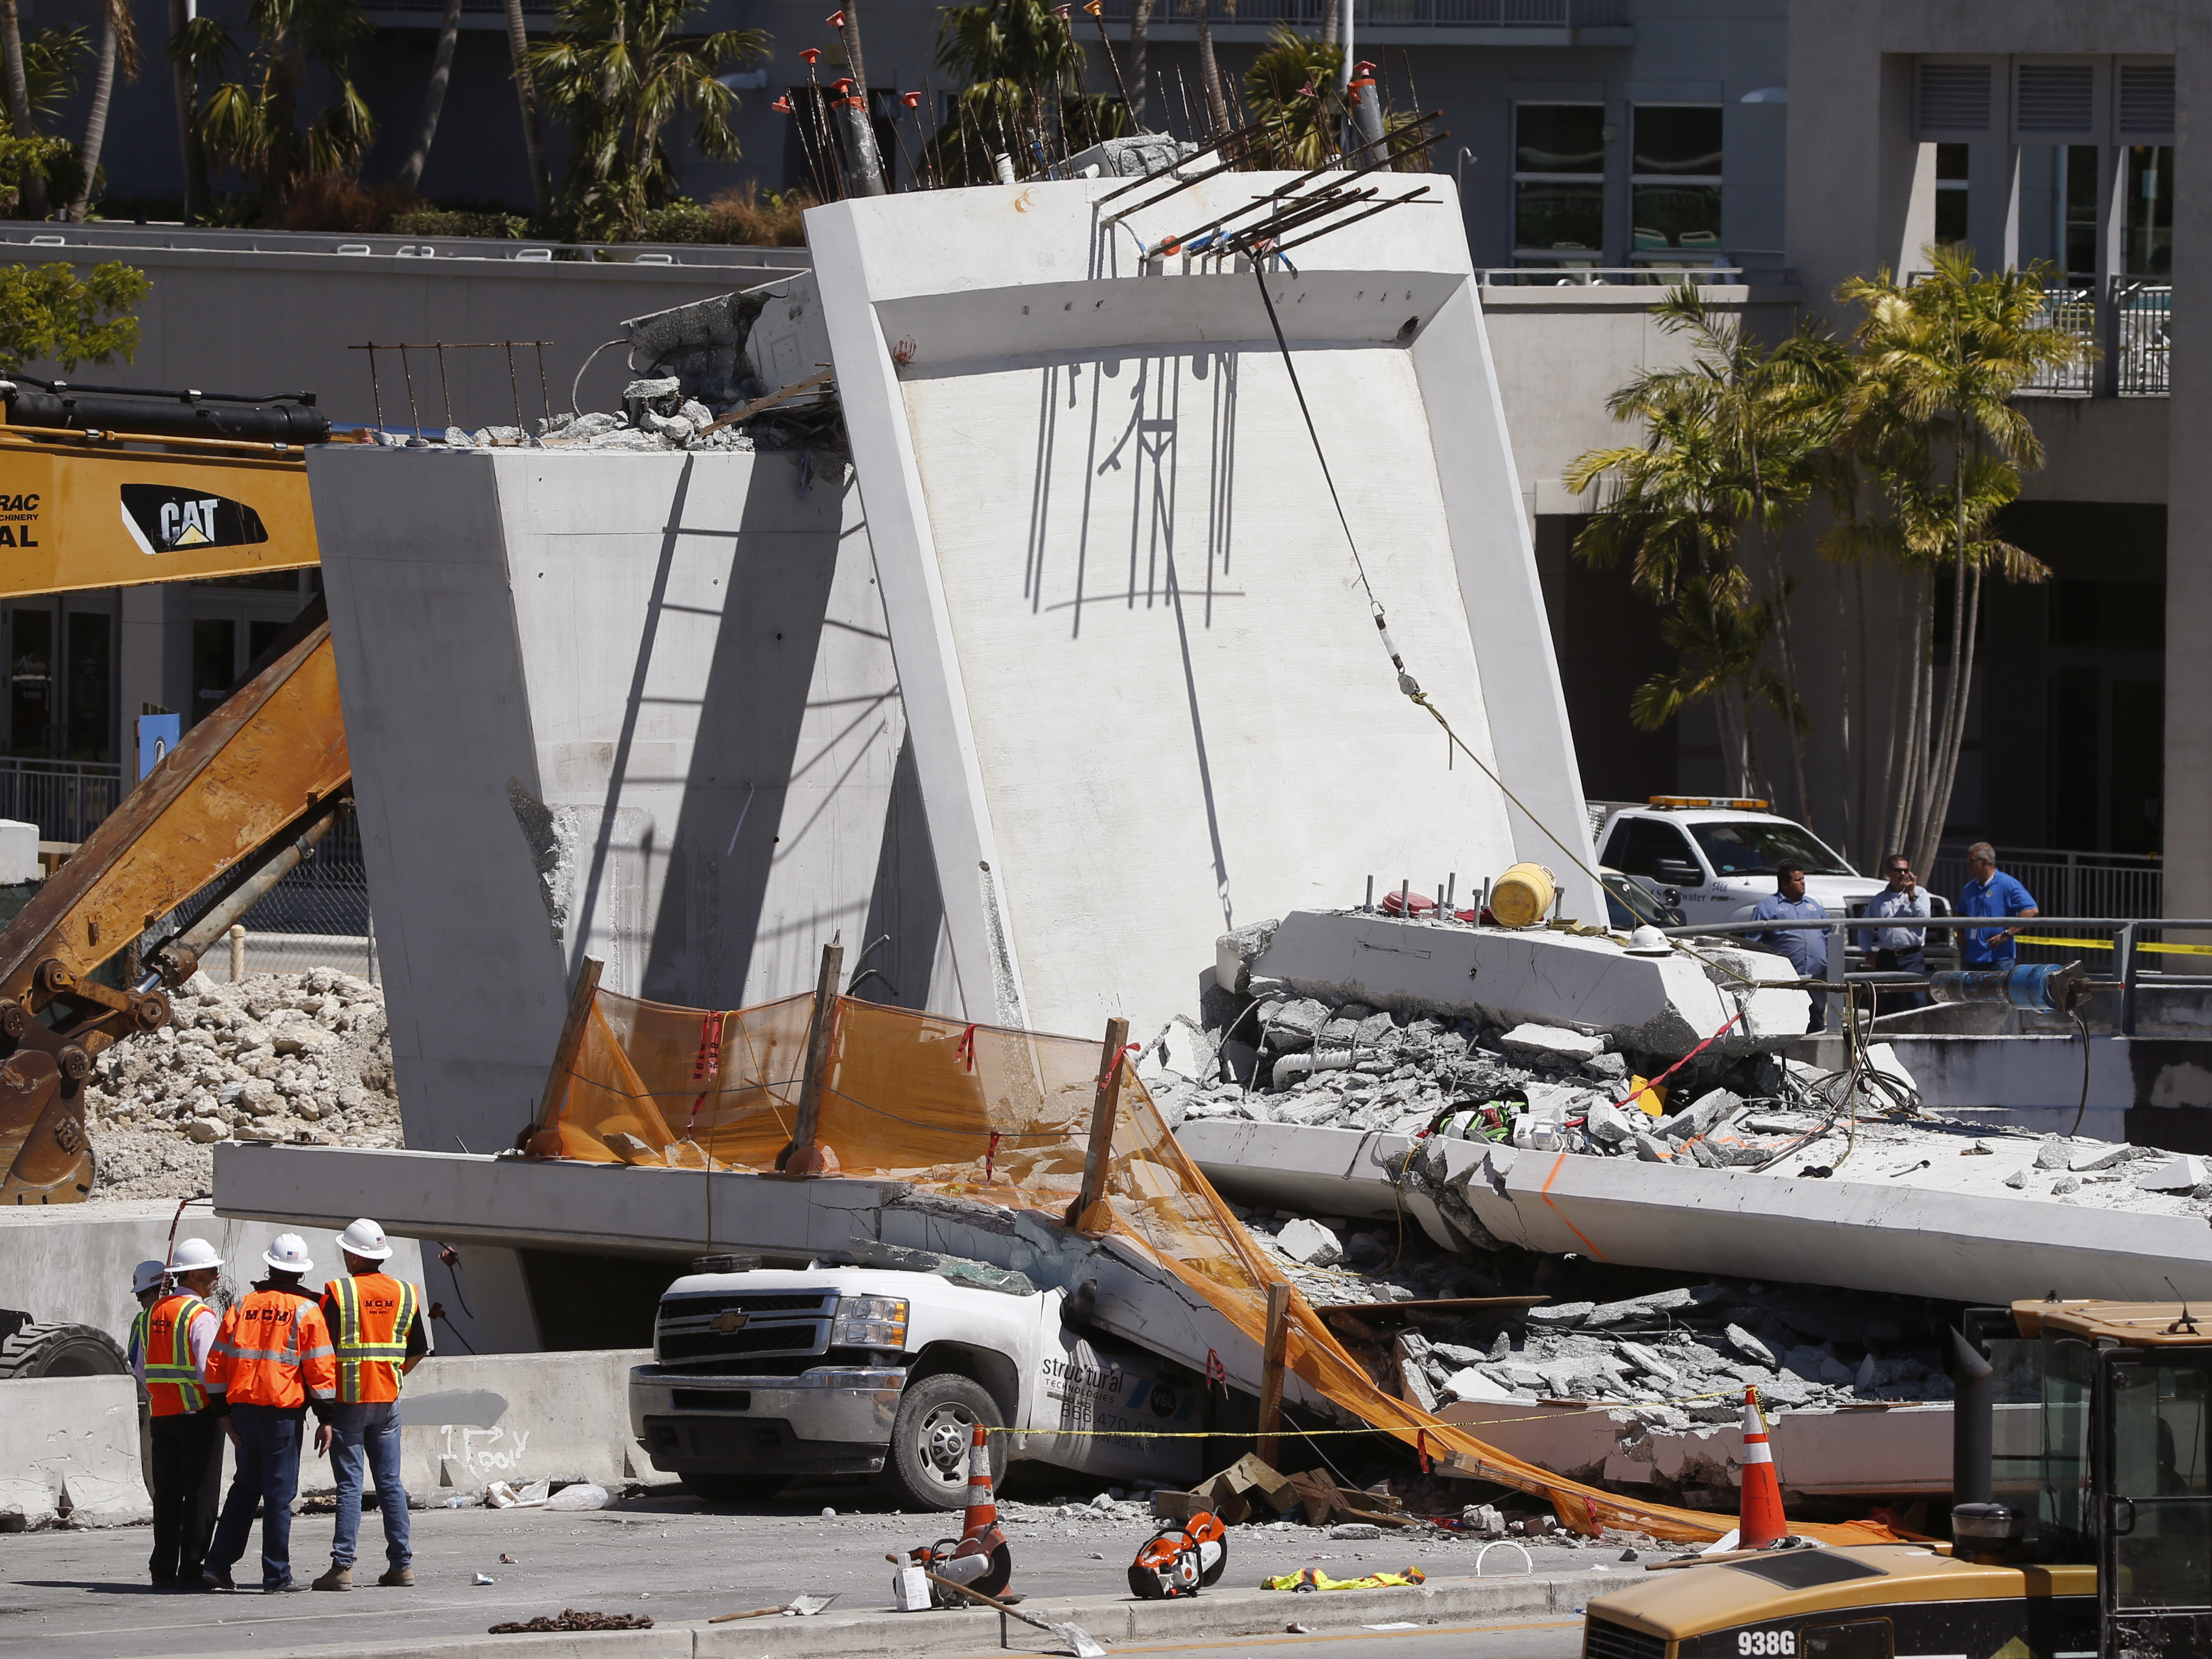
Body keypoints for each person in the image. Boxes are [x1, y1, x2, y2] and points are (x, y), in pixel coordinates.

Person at [201, 1234, 336, 1594]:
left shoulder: (243, 1306)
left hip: (243, 1413)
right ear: (301, 1274)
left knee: (245, 1490)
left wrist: (223, 1414)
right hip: (281, 1416)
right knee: (278, 1496)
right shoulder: (307, 1311)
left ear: (270, 1266)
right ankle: (276, 1576)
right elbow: (320, 1369)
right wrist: (326, 1417)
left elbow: (215, 1365)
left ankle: (217, 1566)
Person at [312, 1218, 427, 1592]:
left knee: (349, 1485)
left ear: (353, 1254)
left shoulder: (339, 1292)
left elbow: (321, 1351)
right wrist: (393, 1376)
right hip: (388, 1400)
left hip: (349, 1401)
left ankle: (343, 1567)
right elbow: (418, 1349)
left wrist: (322, 1409)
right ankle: (402, 1565)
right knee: (390, 1483)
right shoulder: (405, 1292)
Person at [139, 1241, 228, 1591]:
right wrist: (226, 1413)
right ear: (193, 1275)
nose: (217, 1277)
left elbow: (141, 1368)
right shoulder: (200, 1316)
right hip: (199, 1415)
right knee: (201, 1496)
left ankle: (162, 1568)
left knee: (168, 1496)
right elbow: (211, 1372)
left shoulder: (151, 1314)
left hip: (162, 1415)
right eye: (211, 1271)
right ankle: (192, 1569)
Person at [1750, 861, 1830, 1028]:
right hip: (1786, 977)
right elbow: (1754, 943)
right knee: (1787, 1018)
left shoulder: (1814, 906)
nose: (1803, 883)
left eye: (1803, 879)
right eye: (1798, 880)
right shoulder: (1766, 907)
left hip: (1816, 976)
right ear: (1785, 884)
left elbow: (1828, 934)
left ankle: (1813, 1049)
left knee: (1816, 1016)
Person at [1857, 853, 1932, 1013]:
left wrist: (1912, 894)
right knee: (1886, 1005)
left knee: (1918, 1002)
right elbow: (1864, 928)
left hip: (1912, 957)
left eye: (1906, 870)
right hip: (1887, 958)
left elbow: (1925, 919)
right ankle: (1887, 1038)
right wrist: (1868, 952)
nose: (1903, 875)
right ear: (1888, 873)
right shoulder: (1879, 900)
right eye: (1898, 871)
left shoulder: (1921, 893)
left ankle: (1922, 1037)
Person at [1959, 842, 2039, 969]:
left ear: (1985, 862)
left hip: (1999, 959)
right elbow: (1960, 911)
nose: (1968, 866)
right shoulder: (1970, 888)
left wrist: (2007, 933)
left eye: (1972, 861)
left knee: (1999, 990)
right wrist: (1960, 933)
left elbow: (2031, 910)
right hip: (1973, 958)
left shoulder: (2007, 884)